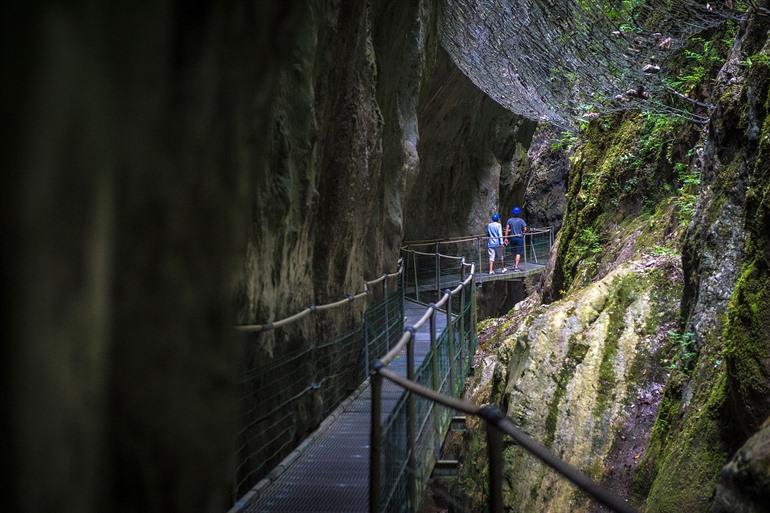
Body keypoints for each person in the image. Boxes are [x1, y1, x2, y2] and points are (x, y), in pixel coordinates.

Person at [505, 206, 528, 271]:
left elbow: (507, 230)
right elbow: (525, 229)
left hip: (512, 238)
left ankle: (514, 264)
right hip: (519, 238)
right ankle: (516, 267)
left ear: (513, 213)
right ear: (519, 213)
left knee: (513, 252)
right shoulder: (521, 220)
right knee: (518, 253)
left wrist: (506, 238)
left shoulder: (509, 220)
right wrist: (523, 233)